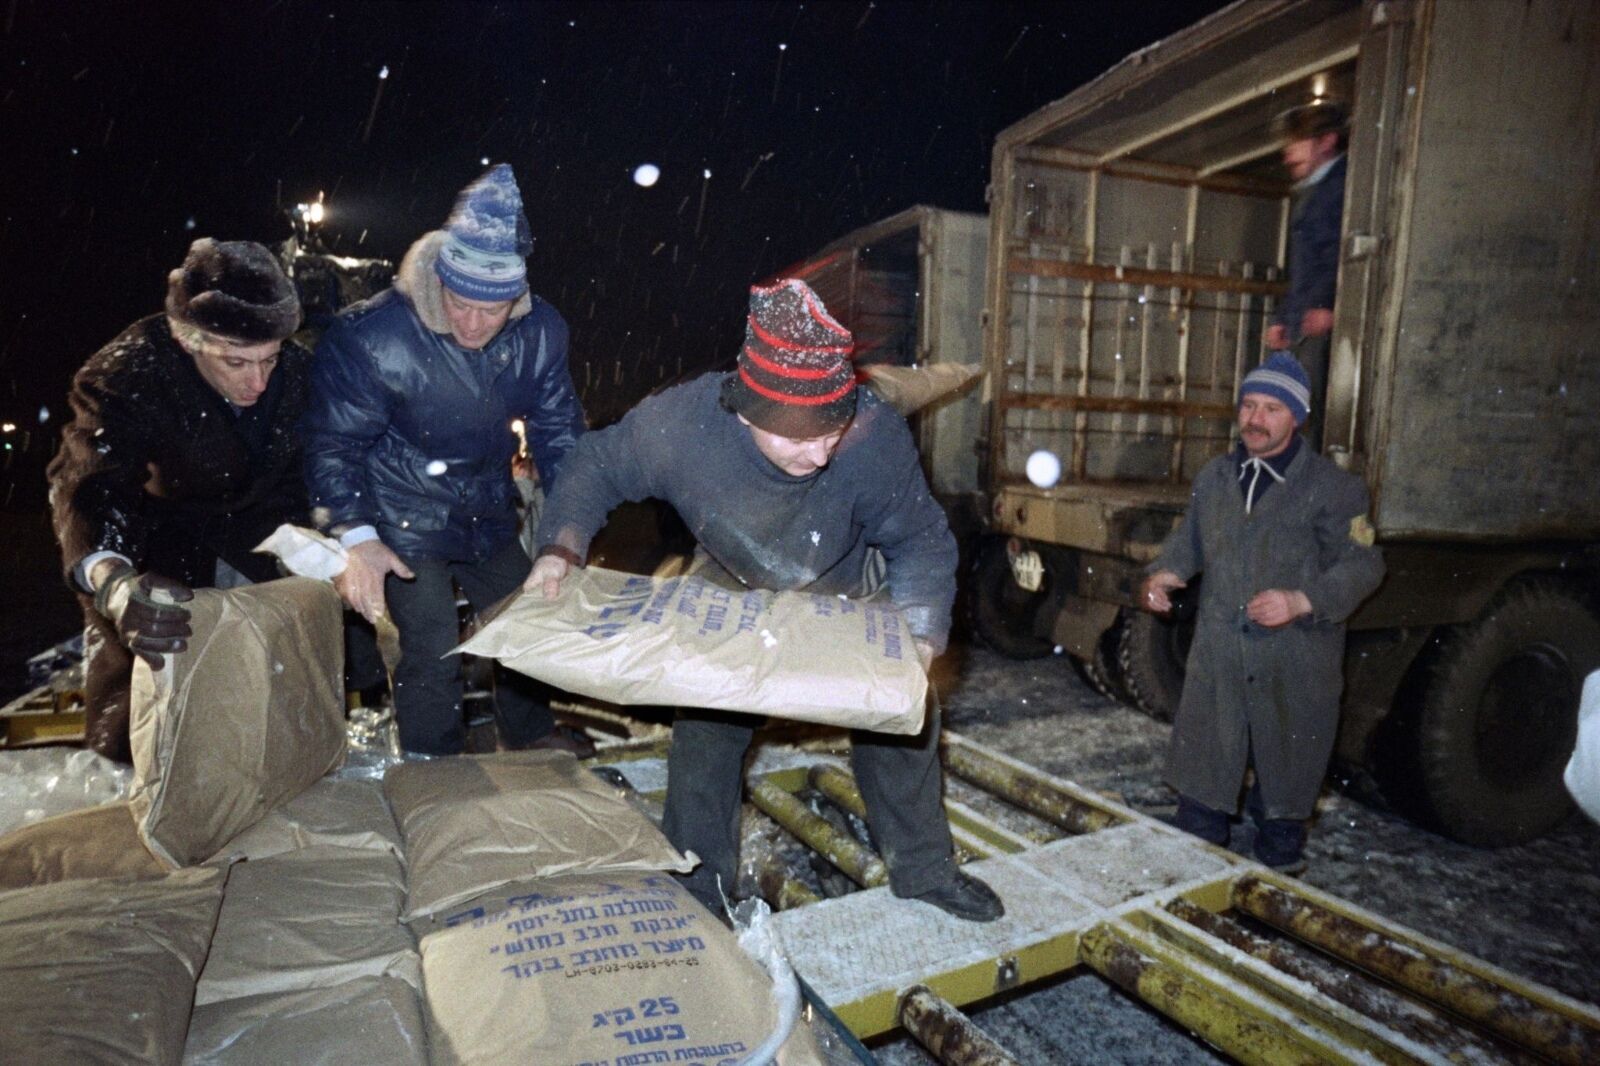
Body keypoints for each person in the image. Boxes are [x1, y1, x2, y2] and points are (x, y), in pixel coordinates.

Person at [526, 279, 1004, 922]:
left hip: (846, 575)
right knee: (706, 722)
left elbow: (920, 540)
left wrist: (918, 638)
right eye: (799, 439)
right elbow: (595, 465)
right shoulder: (683, 426)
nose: (821, 452)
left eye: (830, 432)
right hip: (735, 572)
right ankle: (701, 886)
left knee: (902, 711)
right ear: (747, 414)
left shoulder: (870, 434)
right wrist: (561, 547)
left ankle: (923, 869)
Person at [302, 164, 590, 758]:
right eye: (460, 304)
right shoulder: (374, 337)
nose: (474, 323)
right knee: (431, 637)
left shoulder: (541, 333)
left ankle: (533, 736)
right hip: (399, 511)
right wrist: (356, 538)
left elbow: (560, 433)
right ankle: (434, 763)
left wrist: (570, 528)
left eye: (493, 309)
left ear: (519, 295)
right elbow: (333, 445)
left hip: (485, 506)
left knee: (525, 618)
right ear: (439, 279)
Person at [49, 238, 309, 762]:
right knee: (149, 711)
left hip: (260, 537)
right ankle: (133, 776)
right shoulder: (127, 372)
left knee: (278, 706)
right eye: (236, 362)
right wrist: (111, 579)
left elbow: (314, 465)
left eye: (269, 359)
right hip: (159, 542)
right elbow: (92, 482)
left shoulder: (296, 370)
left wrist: (324, 540)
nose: (258, 381)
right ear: (187, 340)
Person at [1140, 353, 1384, 871]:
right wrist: (1164, 572)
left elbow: (1364, 566)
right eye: (1249, 405)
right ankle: (1195, 872)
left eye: (1272, 408)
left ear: (1297, 416)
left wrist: (1303, 601)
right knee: (1204, 778)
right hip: (1221, 658)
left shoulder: (1335, 487)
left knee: (1285, 792)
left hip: (1293, 661)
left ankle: (1276, 884)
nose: (1255, 419)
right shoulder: (1216, 476)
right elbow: (1190, 542)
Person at [1264, 100, 1347, 448]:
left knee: (1314, 413)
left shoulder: (1345, 187)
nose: (1287, 156)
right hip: (1306, 321)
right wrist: (1286, 316)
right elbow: (1305, 265)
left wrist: (1328, 305)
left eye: (1296, 144)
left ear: (1326, 141)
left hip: (1321, 321)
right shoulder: (1314, 190)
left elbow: (1337, 253)